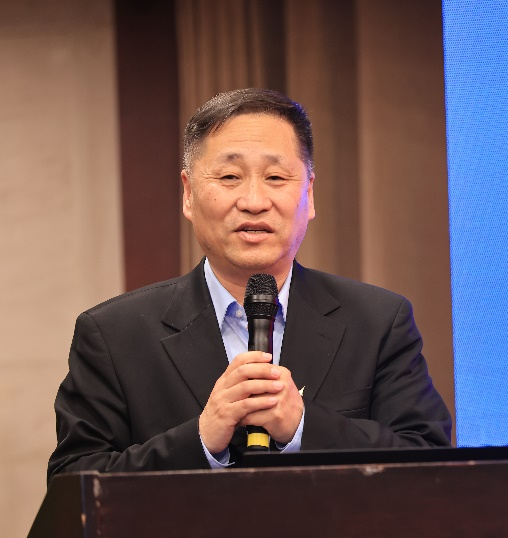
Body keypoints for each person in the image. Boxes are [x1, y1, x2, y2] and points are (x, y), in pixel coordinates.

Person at [49, 89, 451, 481]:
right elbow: (73, 481)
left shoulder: (378, 322)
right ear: (188, 194)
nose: (254, 201)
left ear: (309, 194)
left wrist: (304, 426)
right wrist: (202, 439)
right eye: (229, 176)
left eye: (276, 177)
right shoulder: (114, 334)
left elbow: (431, 465)